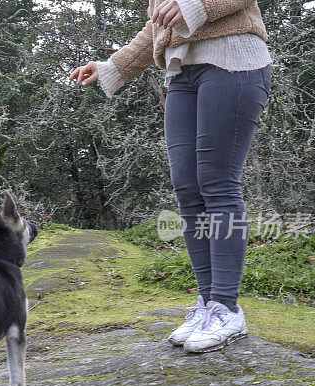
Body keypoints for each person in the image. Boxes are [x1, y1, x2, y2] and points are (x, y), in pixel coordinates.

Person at [71, 0, 271, 353]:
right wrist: (113, 67)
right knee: (187, 188)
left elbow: (188, 10)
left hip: (233, 60)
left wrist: (194, 6)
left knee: (219, 185)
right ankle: (208, 303)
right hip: (182, 70)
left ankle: (226, 306)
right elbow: (158, 24)